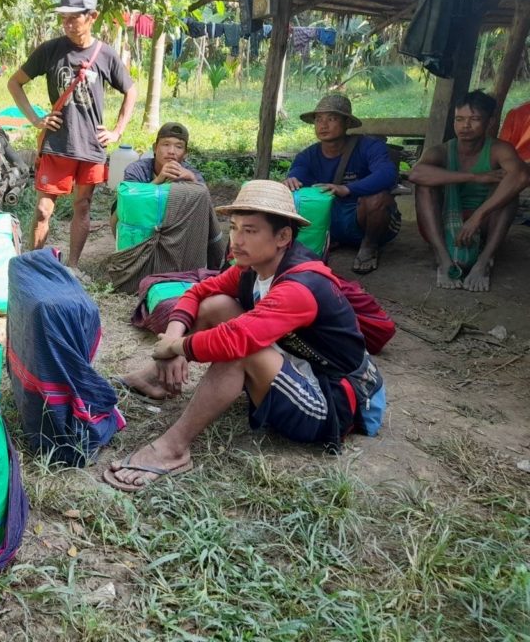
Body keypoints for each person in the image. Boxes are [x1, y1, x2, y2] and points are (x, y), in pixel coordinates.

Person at [104, 180, 385, 492]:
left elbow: (235, 339)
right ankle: (156, 378)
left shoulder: (300, 287)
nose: (236, 240)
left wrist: (178, 346)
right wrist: (170, 344)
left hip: (331, 399)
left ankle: (173, 450)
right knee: (217, 305)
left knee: (239, 348)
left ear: (283, 237)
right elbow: (198, 292)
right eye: (234, 227)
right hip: (295, 363)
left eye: (250, 231)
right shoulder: (253, 267)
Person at [8, 0, 137, 269]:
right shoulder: (50, 50)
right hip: (57, 143)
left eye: (74, 17)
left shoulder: (105, 55)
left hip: (91, 146)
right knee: (43, 209)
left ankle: (74, 268)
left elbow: (131, 90)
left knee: (83, 205)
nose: (67, 23)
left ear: (92, 17)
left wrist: (117, 130)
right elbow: (14, 83)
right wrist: (35, 119)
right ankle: (35, 265)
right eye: (63, 16)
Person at [408, 90, 530, 292]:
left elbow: (522, 177)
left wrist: (478, 217)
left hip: (484, 224)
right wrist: (475, 177)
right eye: (459, 119)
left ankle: (484, 261)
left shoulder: (499, 149)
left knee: (510, 190)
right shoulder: (443, 150)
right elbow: (415, 174)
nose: (465, 126)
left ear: (490, 122)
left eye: (474, 119)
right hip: (444, 222)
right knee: (424, 187)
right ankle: (443, 258)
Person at [285, 94, 400, 274]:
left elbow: (387, 174)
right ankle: (330, 238)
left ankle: (369, 246)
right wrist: (291, 180)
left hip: (363, 218)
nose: (323, 125)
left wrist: (347, 188)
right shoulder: (307, 155)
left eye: (331, 119)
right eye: (319, 120)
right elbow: (298, 171)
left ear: (347, 123)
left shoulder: (369, 147)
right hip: (331, 221)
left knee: (379, 199)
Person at [109, 121, 206, 234]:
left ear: (185, 153)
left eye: (179, 147)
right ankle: (128, 248)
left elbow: (204, 206)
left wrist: (193, 181)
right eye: (166, 144)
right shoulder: (137, 169)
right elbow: (130, 200)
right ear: (155, 148)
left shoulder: (190, 173)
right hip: (142, 224)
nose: (171, 151)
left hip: (176, 227)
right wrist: (158, 180)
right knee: (119, 205)